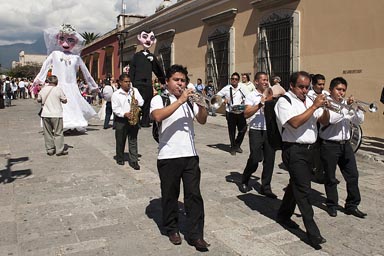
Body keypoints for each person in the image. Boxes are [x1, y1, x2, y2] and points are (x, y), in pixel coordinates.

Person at [150, 64, 210, 251]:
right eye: (176, 80)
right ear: (167, 82)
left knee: (194, 196)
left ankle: (196, 235)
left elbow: (202, 120)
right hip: (169, 155)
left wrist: (201, 106)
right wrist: (180, 101)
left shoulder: (190, 101)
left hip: (190, 155)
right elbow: (158, 116)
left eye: (183, 80)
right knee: (170, 195)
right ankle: (172, 228)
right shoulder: (159, 99)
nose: (180, 83)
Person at [274, 71, 329, 247]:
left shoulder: (310, 100)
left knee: (296, 184)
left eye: (307, 87)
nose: (305, 90)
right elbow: (294, 123)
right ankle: (313, 233)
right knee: (304, 190)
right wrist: (313, 107)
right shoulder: (285, 101)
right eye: (301, 87)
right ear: (292, 86)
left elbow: (325, 121)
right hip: (294, 150)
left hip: (310, 150)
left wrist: (325, 107)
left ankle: (283, 214)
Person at [33, 24, 98, 131]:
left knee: (72, 105)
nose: (66, 43)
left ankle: (71, 126)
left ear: (75, 42)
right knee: (59, 106)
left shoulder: (76, 57)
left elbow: (86, 73)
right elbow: (44, 67)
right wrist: (38, 80)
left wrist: (93, 86)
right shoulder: (55, 54)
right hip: (57, 85)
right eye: (62, 39)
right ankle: (61, 125)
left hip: (72, 86)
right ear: (58, 40)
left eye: (70, 40)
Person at [319, 77, 366, 218]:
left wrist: (357, 110)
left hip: (345, 144)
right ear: (331, 90)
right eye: (338, 89)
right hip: (329, 145)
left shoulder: (346, 105)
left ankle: (352, 205)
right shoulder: (326, 103)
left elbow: (358, 121)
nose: (341, 93)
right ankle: (332, 204)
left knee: (353, 175)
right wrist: (347, 108)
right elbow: (332, 119)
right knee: (330, 177)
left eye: (343, 90)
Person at [239, 72, 277, 198]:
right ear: (256, 82)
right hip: (256, 130)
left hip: (269, 130)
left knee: (269, 160)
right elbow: (246, 114)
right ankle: (245, 179)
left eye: (267, 80)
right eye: (263, 80)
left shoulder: (272, 94)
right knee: (255, 158)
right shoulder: (251, 96)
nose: (266, 82)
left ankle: (266, 187)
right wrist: (260, 104)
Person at [129, 29, 165, 128]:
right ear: (139, 38)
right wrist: (131, 83)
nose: (148, 40)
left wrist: (163, 81)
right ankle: (135, 121)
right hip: (137, 83)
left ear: (154, 41)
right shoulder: (136, 56)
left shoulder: (152, 56)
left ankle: (145, 121)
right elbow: (132, 70)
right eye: (145, 37)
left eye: (151, 38)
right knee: (136, 103)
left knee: (147, 103)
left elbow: (158, 70)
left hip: (148, 83)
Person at [111, 74, 144, 169]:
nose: (128, 83)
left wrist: (138, 102)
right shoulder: (116, 95)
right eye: (126, 82)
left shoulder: (134, 91)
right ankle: (120, 158)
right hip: (121, 120)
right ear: (120, 83)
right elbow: (115, 109)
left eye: (129, 81)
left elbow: (142, 101)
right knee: (120, 140)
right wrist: (124, 114)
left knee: (133, 140)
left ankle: (134, 161)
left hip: (134, 119)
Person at [216, 72, 247, 155]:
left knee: (243, 129)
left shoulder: (242, 88)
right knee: (232, 130)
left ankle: (237, 144)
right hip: (230, 112)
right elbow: (217, 96)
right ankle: (233, 147)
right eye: (232, 79)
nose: (234, 80)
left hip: (240, 111)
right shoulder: (226, 88)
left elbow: (248, 96)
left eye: (236, 79)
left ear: (238, 80)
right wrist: (223, 100)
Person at [37, 75, 68, 156]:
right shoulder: (58, 89)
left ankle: (50, 149)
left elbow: (38, 99)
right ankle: (59, 150)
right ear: (56, 82)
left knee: (47, 132)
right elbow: (65, 100)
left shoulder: (43, 89)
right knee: (58, 132)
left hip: (45, 114)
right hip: (56, 114)